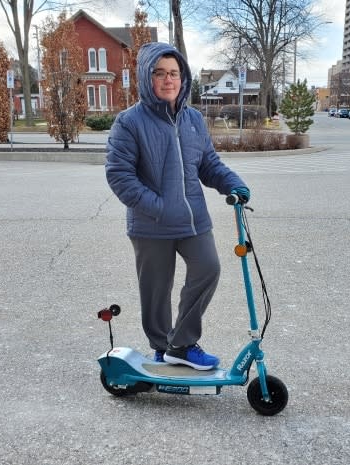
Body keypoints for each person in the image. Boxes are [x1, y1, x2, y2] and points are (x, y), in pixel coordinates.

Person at [105, 42, 250, 371]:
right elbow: (119, 176)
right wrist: (158, 207)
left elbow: (209, 164)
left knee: (208, 269)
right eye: (160, 73)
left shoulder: (194, 120)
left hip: (193, 220)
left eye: (175, 73)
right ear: (147, 76)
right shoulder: (129, 122)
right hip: (150, 223)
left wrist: (234, 184)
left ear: (183, 78)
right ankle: (161, 347)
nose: (169, 80)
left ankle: (181, 344)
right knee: (157, 290)